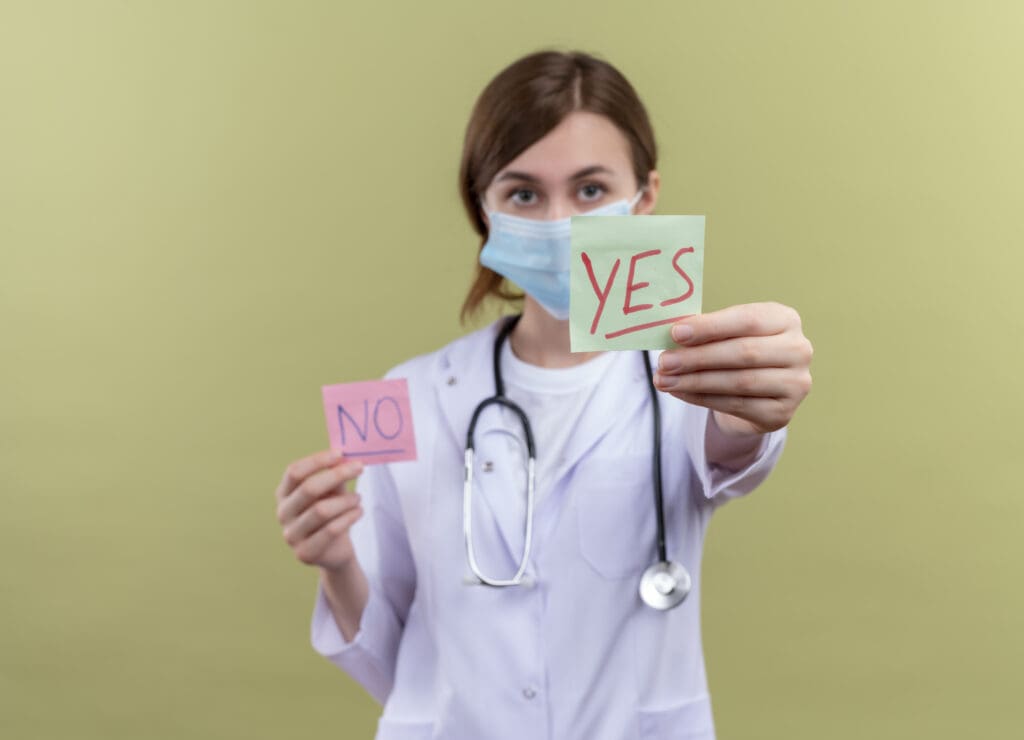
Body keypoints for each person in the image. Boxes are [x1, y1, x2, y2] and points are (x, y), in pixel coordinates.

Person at [274, 50, 812, 740]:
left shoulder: (685, 383)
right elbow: (386, 657)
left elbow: (735, 445)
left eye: (590, 190)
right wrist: (335, 560)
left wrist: (757, 406)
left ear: (644, 199)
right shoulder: (405, 394)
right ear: (484, 209)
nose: (560, 223)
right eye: (524, 193)